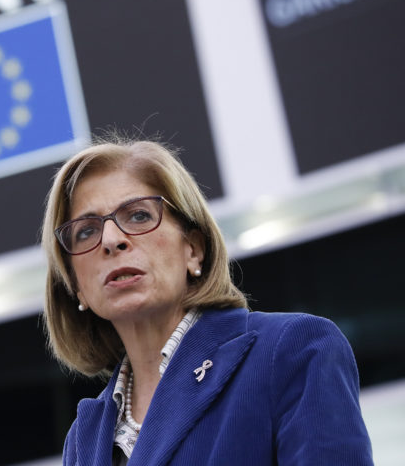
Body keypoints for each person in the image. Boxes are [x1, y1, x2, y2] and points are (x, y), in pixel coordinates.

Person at [41, 139, 373, 465]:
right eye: (85, 232)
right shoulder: (84, 439)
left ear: (194, 249)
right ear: (76, 286)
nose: (112, 240)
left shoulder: (292, 350)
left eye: (138, 215)